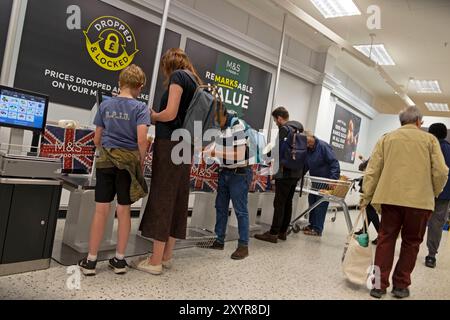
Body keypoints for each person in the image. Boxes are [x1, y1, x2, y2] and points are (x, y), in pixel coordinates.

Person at [361, 107, 448, 299]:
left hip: (390, 199)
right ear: (419, 122)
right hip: (419, 202)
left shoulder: (386, 138)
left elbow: (373, 169)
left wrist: (366, 195)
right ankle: (400, 286)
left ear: (401, 122)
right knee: (412, 242)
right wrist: (432, 192)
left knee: (385, 239)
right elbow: (441, 172)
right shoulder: (430, 140)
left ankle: (378, 285)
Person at [134, 48, 202, 275]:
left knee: (163, 197)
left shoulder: (178, 77)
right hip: (186, 145)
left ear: (169, 64)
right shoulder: (195, 81)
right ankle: (166, 256)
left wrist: (153, 115)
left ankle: (154, 262)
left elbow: (171, 113)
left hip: (170, 143)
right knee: (178, 198)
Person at [78, 64, 151, 276]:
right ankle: (119, 260)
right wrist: (140, 160)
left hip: (105, 162)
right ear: (139, 86)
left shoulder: (106, 105)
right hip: (127, 164)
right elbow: (142, 140)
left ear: (120, 84)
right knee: (123, 210)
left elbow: (97, 138)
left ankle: (91, 261)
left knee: (101, 210)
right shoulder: (141, 108)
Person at [204, 108, 253, 260]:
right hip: (225, 171)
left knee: (240, 211)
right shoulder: (223, 129)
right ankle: (219, 240)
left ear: (224, 115)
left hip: (239, 173)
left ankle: (243, 246)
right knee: (220, 207)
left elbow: (238, 154)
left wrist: (215, 153)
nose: (216, 122)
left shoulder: (237, 125)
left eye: (218, 118)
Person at [254, 106, 304, 243]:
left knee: (279, 203)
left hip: (285, 171)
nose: (276, 123)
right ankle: (283, 232)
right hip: (296, 172)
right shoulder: (299, 129)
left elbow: (276, 149)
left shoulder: (284, 129)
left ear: (280, 118)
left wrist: (264, 155)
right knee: (288, 202)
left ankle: (273, 233)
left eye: (275, 120)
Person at [303, 131, 340, 236]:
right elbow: (306, 164)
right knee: (312, 203)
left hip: (325, 181)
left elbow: (334, 162)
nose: (306, 144)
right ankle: (311, 225)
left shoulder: (323, 146)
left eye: (307, 141)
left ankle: (318, 229)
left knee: (321, 205)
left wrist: (333, 179)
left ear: (311, 137)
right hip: (315, 180)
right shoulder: (308, 149)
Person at [425, 123, 450, 268]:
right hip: (445, 193)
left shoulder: (428, 148)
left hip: (425, 191)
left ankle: (410, 249)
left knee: (418, 220)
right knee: (437, 224)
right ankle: (431, 256)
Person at [355, 158, 380, 245]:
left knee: (370, 210)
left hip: (372, 187)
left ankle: (381, 235)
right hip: (374, 186)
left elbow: (363, 167)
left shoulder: (376, 157)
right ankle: (364, 230)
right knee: (369, 210)